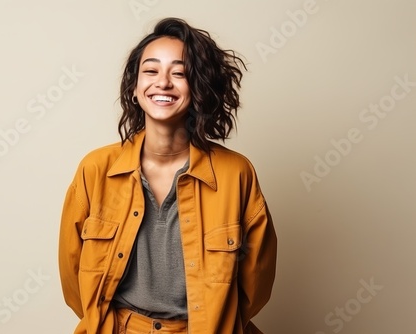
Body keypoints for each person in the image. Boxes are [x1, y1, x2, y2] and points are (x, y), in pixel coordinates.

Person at [59, 17, 277, 334]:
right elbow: (73, 272)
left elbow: (256, 280)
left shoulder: (236, 173)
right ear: (134, 88)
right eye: (151, 70)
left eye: (180, 72)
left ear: (199, 87)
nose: (163, 82)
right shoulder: (96, 169)